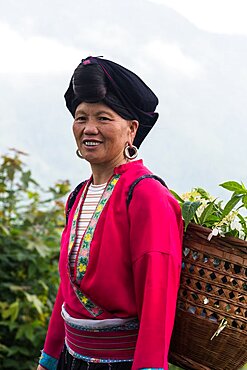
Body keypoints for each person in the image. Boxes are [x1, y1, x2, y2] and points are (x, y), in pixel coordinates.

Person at [37, 56, 183, 370]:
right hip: (69, 360)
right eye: (81, 117)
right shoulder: (78, 195)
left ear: (131, 129)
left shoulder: (148, 196)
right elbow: (68, 291)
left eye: (103, 118)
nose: (89, 128)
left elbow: (157, 300)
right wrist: (48, 360)